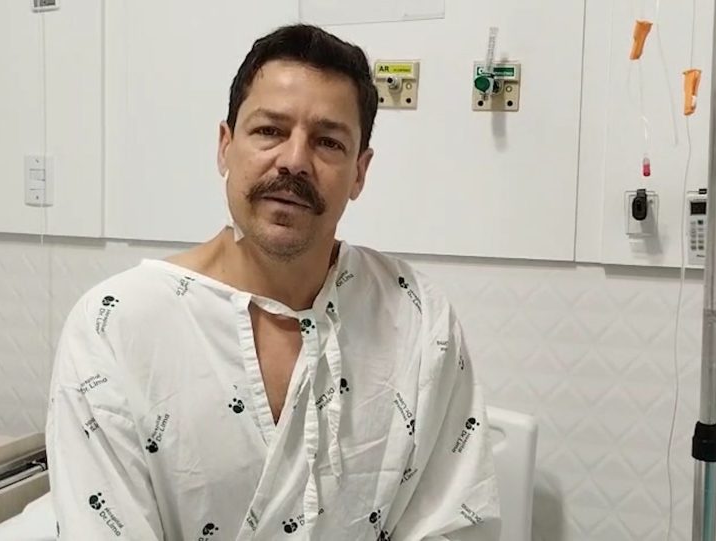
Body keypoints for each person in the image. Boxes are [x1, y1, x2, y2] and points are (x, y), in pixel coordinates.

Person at [46, 23, 500, 540]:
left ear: (359, 172)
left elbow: (455, 522)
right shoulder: (115, 326)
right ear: (225, 146)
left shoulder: (417, 317)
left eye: (328, 142)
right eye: (269, 131)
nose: (294, 160)